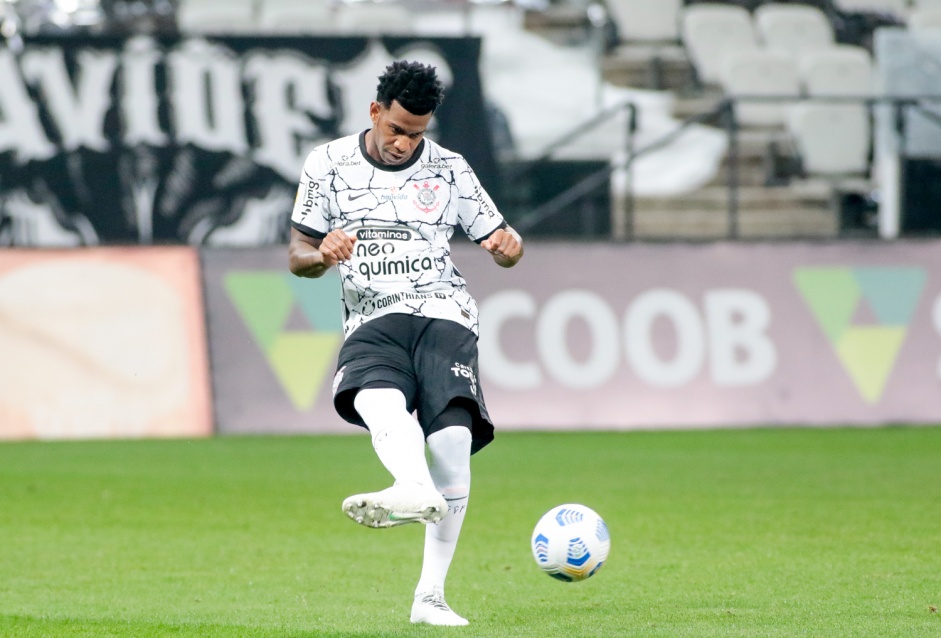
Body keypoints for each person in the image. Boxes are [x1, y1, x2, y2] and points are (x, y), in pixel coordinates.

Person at [287, 60, 523, 627]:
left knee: (452, 445)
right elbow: (298, 256)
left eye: (416, 133)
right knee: (375, 397)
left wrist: (506, 246)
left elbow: (504, 241)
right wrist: (322, 254)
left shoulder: (450, 169)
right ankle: (410, 486)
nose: (404, 143)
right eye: (396, 129)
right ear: (375, 112)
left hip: (443, 311)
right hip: (371, 315)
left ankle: (430, 598)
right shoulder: (328, 164)